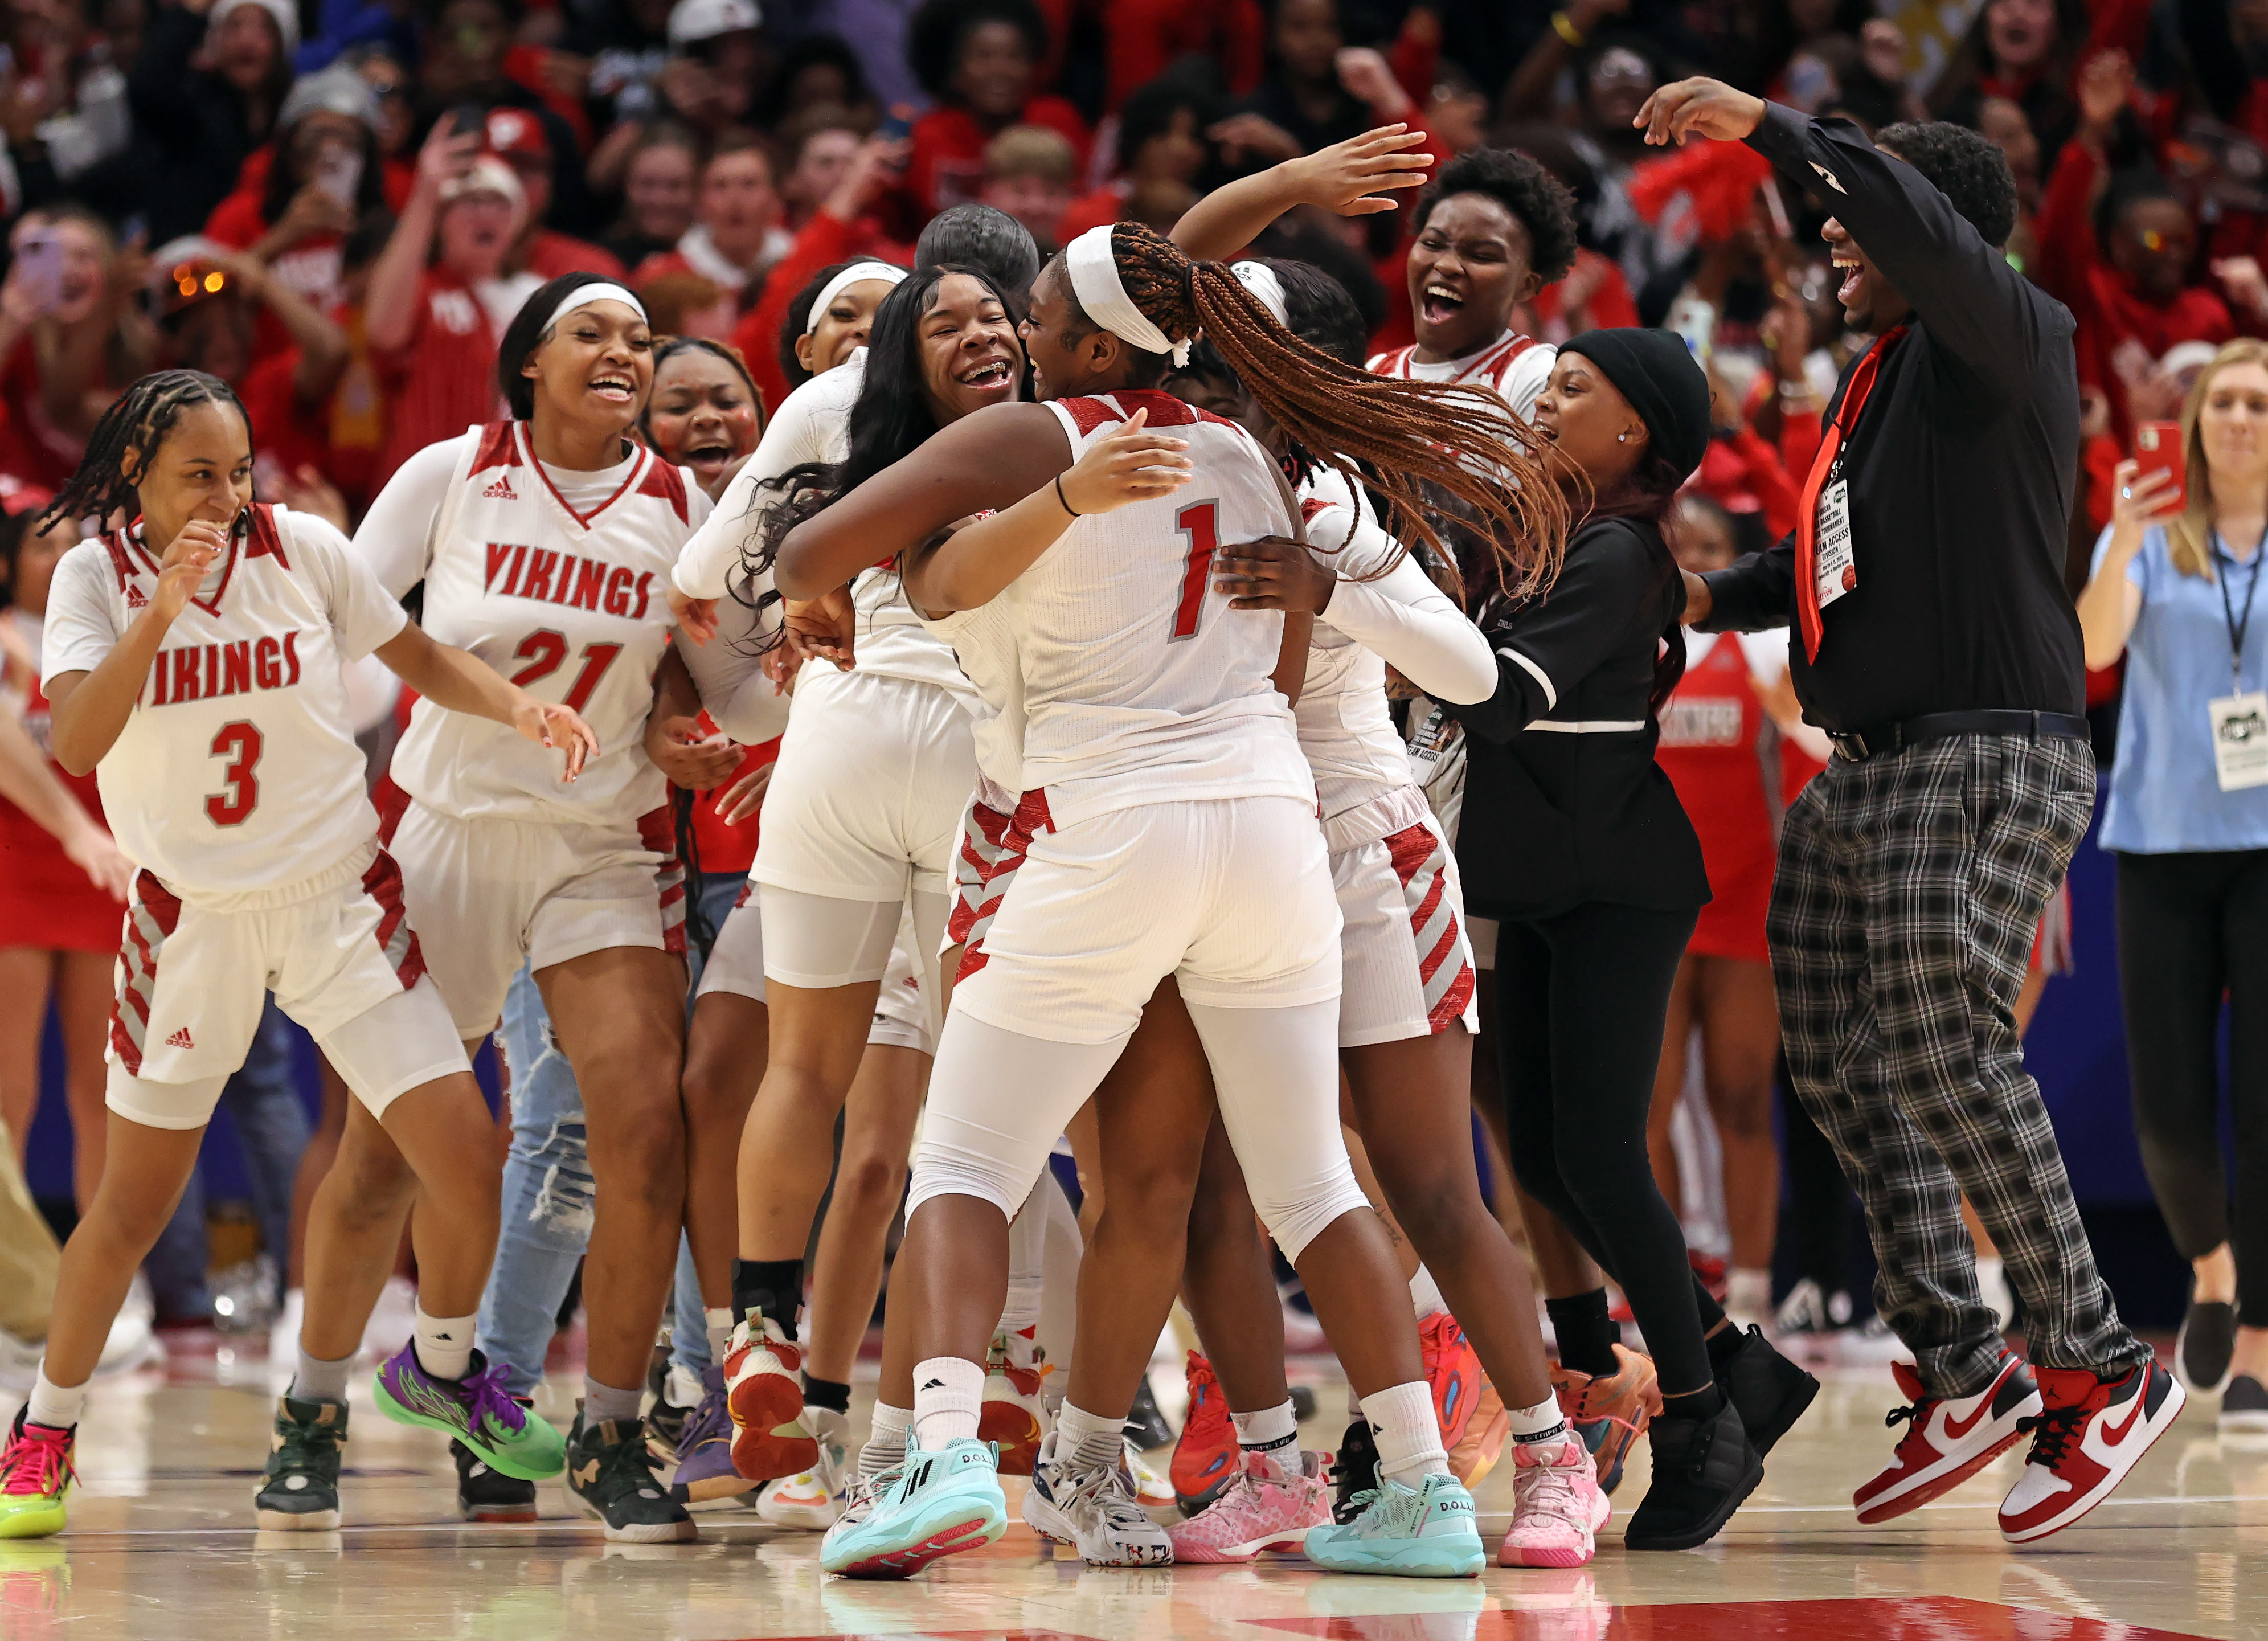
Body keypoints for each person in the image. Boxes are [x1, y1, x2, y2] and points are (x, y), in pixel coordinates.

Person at [779, 219, 1558, 1580]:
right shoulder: (1260, 454)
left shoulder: (1036, 440)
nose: (1012, 334)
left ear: (1079, 342)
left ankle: (950, 1450)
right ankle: (1417, 1490)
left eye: (1028, 313)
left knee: (964, 1160)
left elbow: (823, 550)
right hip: (1265, 825)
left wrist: (817, 594)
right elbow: (1280, 661)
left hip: (1102, 821)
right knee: (1309, 1178)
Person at [1645, 74, 2180, 1542]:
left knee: (1943, 1034)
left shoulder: (2006, 332)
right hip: (1867, 761)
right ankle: (1959, 1363)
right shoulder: (1885, 385)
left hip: (1983, 748)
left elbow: (1883, 205)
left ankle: (2093, 1360)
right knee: (1831, 1056)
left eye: (1847, 222)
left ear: (1930, 231)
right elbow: (1834, 563)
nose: (1827, 242)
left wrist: (1765, 124)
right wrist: (1709, 593)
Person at [0, 367, 592, 1540]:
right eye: (198, 477)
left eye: (238, 471)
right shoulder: (93, 574)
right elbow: (74, 737)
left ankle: (438, 1364)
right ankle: (46, 1430)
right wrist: (163, 611)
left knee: (465, 1159)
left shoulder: (304, 549)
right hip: (194, 921)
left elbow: (414, 657)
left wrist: (516, 705)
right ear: (135, 476)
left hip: (337, 901)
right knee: (128, 1199)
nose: (226, 497)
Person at [1154, 259, 1601, 1570]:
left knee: (1425, 1179)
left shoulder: (1329, 504)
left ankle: (1549, 1455)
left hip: (1353, 852)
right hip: (1214, 849)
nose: (1194, 366)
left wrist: (1318, 584)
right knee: (1212, 1188)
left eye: (1225, 346)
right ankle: (1269, 1465)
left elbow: (1464, 670)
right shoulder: (1153, 471)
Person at [346, 275, 784, 1542]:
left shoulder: (684, 509)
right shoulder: (451, 473)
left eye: (638, 339)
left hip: (606, 840)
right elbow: (352, 631)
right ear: (528, 363)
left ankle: (607, 1431)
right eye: (592, 332)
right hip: (453, 831)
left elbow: (721, 689)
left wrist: (775, 709)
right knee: (400, 1145)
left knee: (640, 1125)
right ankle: (348, 1386)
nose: (624, 353)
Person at [1444, 328, 1812, 1550]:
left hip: (1619, 885)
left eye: (1572, 390)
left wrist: (1355, 597)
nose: (1544, 400)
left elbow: (1496, 697)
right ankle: (1727, 1359)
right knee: (1544, 1161)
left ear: (1635, 436)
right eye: (1544, 384)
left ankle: (1704, 1420)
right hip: (1550, 882)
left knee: (1598, 1158)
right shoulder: (1543, 538)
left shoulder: (1614, 552)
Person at [451, 336, 771, 1524]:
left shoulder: (779, 529)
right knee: (564, 1139)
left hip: (748, 880)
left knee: (691, 1151)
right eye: (676, 401)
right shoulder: (626, 522)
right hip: (599, 863)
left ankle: (692, 1398)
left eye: (722, 400)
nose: (701, 418)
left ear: (762, 410)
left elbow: (696, 683)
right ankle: (495, 1395)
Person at [2076, 337, 2268, 1428]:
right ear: (2194, 422)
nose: (2237, 417)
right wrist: (2123, 546)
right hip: (2159, 839)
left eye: (2255, 401)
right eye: (2221, 401)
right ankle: (2209, 1264)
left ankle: (2254, 1335)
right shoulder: (2148, 533)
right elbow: (2095, 645)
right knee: (2169, 1103)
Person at [1648, 498, 1792, 1332]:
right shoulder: (1636, 644)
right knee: (1648, 1108)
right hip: (1659, 911)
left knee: (1741, 1099)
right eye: (1680, 543)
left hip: (1746, 906)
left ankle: (1751, 1288)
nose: (1692, 557)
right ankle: (1670, 1285)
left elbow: (1808, 742)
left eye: (1710, 547)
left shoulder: (1764, 647)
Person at [0, 501, 132, 1212]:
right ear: (6, 564)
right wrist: (72, 831)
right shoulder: (4, 642)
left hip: (103, 874)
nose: (59, 559)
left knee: (104, 1087)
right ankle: (11, 1289)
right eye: (41, 547)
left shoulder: (107, 643)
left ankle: (113, 1286)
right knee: (10, 1092)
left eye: (72, 545)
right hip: (15, 872)